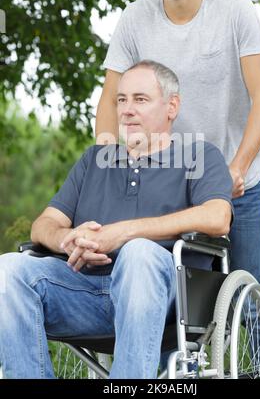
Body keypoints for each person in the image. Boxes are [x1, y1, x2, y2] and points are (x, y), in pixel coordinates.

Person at [0, 61, 233, 379]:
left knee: (138, 252)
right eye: (121, 100)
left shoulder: (200, 156)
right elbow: (43, 225)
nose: (126, 110)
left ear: (171, 106)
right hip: (83, 295)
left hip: (167, 297)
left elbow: (218, 217)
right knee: (7, 270)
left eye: (140, 99)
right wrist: (67, 238)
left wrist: (123, 233)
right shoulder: (94, 161)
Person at [95, 0, 260, 296]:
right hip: (167, 183)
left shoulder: (233, 10)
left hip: (236, 181)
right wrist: (108, 162)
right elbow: (110, 99)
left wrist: (236, 168)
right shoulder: (135, 19)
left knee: (251, 293)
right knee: (164, 294)